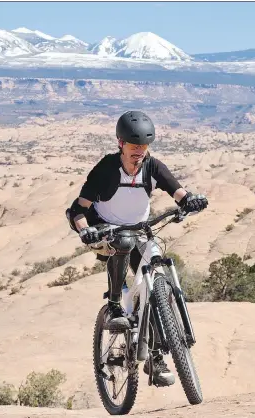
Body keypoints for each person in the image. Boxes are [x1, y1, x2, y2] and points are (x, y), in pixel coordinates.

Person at [65, 110, 208, 387]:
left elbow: (178, 192)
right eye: (134, 147)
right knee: (124, 242)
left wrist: (190, 201)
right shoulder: (106, 169)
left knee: (155, 271)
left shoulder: (152, 167)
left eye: (143, 147)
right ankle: (116, 306)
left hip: (141, 230)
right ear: (121, 144)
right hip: (108, 232)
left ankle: (157, 357)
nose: (139, 152)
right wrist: (86, 231)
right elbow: (77, 209)